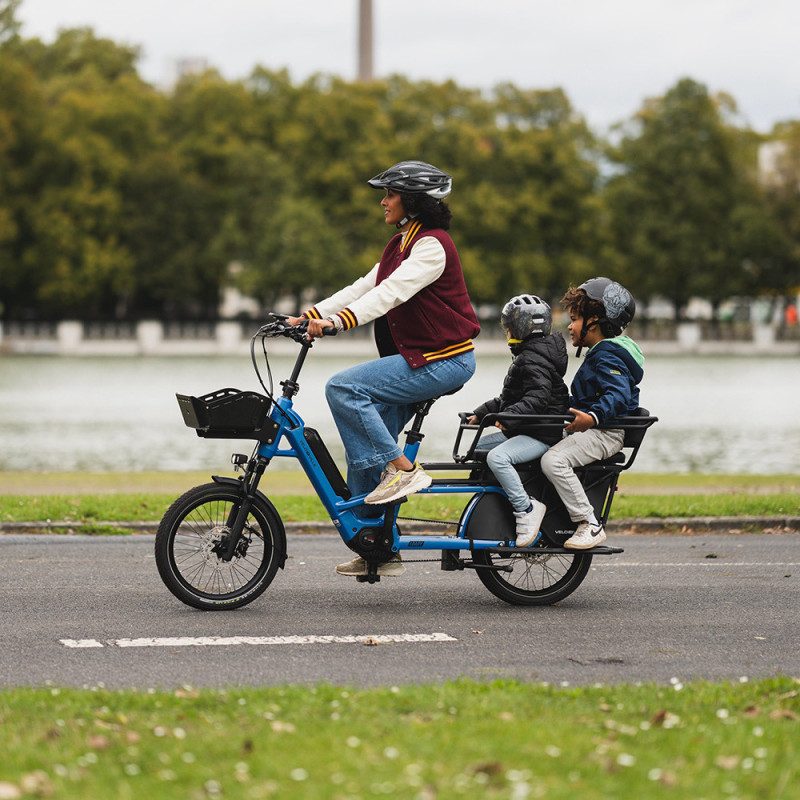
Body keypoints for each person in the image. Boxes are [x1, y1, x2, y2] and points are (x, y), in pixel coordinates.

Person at [288, 160, 480, 577]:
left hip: (446, 360)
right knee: (363, 449)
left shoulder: (432, 245)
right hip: (420, 360)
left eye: (389, 194)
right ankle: (378, 547)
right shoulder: (399, 246)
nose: (383, 201)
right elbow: (365, 286)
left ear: (412, 202)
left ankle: (405, 471)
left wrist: (338, 323)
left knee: (343, 388)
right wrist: (312, 315)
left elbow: (391, 293)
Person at [540, 277, 644, 550]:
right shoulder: (599, 354)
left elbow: (618, 395)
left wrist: (592, 417)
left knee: (554, 461)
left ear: (594, 321)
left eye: (574, 319)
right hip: (596, 428)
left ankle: (589, 523)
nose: (569, 326)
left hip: (605, 432)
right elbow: (588, 398)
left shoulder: (607, 356)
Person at [467, 295, 569, 547]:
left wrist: (507, 418)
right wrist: (482, 413)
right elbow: (508, 399)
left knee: (497, 457)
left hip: (542, 435)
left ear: (522, 327)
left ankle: (526, 509)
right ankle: (500, 502)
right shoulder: (531, 355)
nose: (506, 331)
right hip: (529, 429)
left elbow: (538, 397)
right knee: (480, 448)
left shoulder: (533, 359)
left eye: (509, 326)